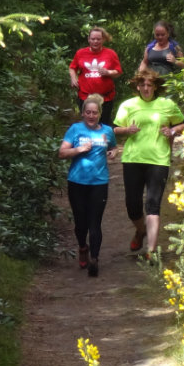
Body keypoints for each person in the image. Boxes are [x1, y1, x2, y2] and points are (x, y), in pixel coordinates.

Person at [113, 68, 184, 258]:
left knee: (153, 204)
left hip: (159, 159)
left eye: (149, 85)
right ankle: (141, 230)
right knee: (132, 205)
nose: (146, 88)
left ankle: (151, 250)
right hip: (133, 158)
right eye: (143, 85)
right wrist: (127, 130)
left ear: (155, 87)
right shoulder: (128, 105)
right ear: (137, 86)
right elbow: (115, 129)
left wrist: (172, 131)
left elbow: (183, 123)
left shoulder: (167, 104)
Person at [59, 93, 117, 276]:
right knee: (80, 223)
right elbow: (62, 152)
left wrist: (113, 153)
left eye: (95, 113)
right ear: (83, 113)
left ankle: (94, 259)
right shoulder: (75, 129)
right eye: (88, 112)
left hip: (99, 182)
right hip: (77, 182)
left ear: (100, 114)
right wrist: (79, 149)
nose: (91, 116)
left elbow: (113, 147)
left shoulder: (107, 131)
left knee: (95, 222)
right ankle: (83, 247)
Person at [69, 27, 122, 125]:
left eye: (98, 39)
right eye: (93, 39)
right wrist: (73, 77)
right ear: (89, 39)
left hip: (105, 97)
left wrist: (108, 72)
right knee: (87, 124)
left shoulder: (110, 54)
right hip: (85, 96)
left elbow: (118, 72)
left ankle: (104, 140)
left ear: (103, 39)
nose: (95, 41)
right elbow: (72, 67)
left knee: (104, 125)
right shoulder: (81, 53)